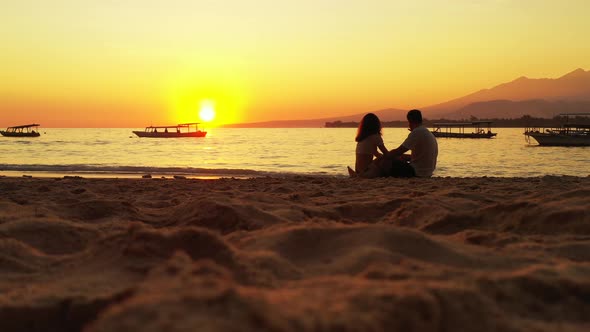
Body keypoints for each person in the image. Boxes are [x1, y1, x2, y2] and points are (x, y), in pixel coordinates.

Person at [382, 109, 438, 177]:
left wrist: (385, 156)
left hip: (416, 172)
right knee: (400, 158)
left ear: (410, 121)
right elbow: (422, 156)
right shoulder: (428, 132)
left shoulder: (417, 132)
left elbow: (399, 151)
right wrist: (403, 157)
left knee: (387, 161)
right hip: (428, 173)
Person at [347, 113, 388, 177]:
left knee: (381, 158)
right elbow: (386, 154)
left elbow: (376, 153)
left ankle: (358, 174)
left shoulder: (361, 138)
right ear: (376, 125)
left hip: (358, 170)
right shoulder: (375, 136)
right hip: (367, 172)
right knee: (386, 160)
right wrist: (398, 157)